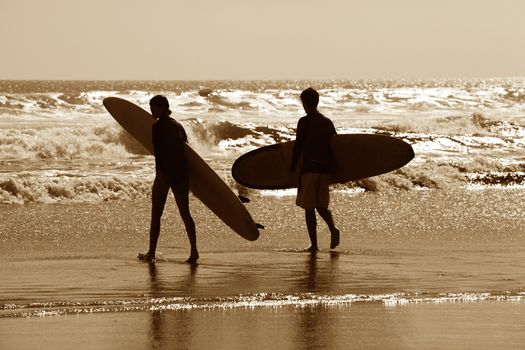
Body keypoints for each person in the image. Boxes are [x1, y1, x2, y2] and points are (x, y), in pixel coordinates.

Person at [139, 95, 198, 264]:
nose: (151, 110)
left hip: (166, 174)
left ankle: (151, 252)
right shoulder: (179, 126)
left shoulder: (157, 127)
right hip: (181, 174)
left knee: (156, 214)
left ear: (162, 108)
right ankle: (194, 251)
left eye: (153, 107)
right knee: (185, 213)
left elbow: (160, 153)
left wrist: (161, 173)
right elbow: (185, 152)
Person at [290, 88, 340, 253]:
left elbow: (298, 146)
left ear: (304, 103)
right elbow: (335, 145)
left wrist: (291, 168)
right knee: (322, 207)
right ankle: (333, 228)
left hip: (310, 169)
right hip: (324, 170)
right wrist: (336, 170)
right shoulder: (327, 122)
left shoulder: (304, 121)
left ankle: (314, 245)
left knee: (309, 208)